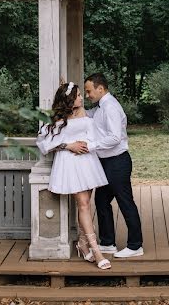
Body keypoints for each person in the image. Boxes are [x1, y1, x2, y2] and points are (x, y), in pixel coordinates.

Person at [36, 81, 111, 270]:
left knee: (86, 204)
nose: (81, 98)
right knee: (83, 204)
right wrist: (68, 145)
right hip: (69, 162)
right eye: (77, 95)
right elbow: (44, 144)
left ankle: (82, 242)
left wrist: (86, 144)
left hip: (88, 162)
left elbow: (94, 135)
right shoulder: (55, 118)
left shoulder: (84, 113)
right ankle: (97, 251)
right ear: (69, 98)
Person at [84, 72, 143, 258]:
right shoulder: (101, 106)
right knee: (101, 201)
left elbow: (115, 137)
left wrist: (91, 146)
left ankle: (135, 246)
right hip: (107, 163)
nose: (87, 95)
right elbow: (88, 115)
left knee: (125, 202)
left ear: (100, 89)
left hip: (117, 162)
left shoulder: (110, 107)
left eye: (88, 91)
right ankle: (108, 243)